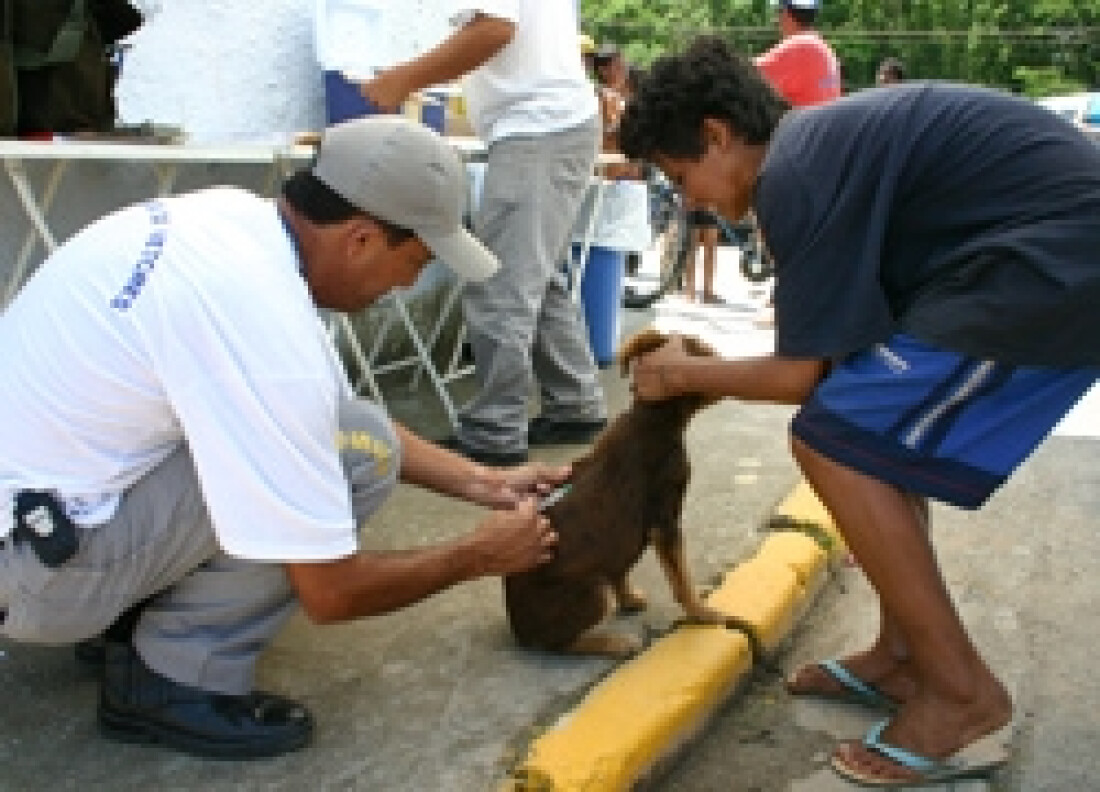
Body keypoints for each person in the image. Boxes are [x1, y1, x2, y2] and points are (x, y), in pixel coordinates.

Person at [0, 116, 568, 760]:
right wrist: (475, 557)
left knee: (347, 436)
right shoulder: (261, 321)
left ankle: (128, 618)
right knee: (350, 456)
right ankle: (173, 676)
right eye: (414, 262)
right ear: (361, 239)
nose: (407, 286)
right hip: (37, 578)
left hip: (35, 533)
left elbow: (336, 412)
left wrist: (487, 483)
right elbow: (331, 590)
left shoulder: (233, 226)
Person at [619, 37, 1100, 786]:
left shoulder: (793, 175)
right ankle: (902, 656)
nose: (688, 200)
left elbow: (800, 376)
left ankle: (961, 695)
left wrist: (680, 373)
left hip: (1056, 266)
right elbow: (836, 360)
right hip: (1039, 252)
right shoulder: (814, 152)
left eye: (680, 177)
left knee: (833, 442)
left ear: (717, 134)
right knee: (869, 432)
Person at [361, 2, 608, 466]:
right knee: (536, 281)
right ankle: (575, 404)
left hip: (538, 127)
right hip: (554, 124)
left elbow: (494, 29)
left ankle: (496, 431)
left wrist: (402, 79)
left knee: (501, 283)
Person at [754, 0, 841, 107]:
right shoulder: (823, 48)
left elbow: (745, 74)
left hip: (806, 118)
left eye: (779, 11)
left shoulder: (800, 46)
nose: (776, 19)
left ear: (787, 14)